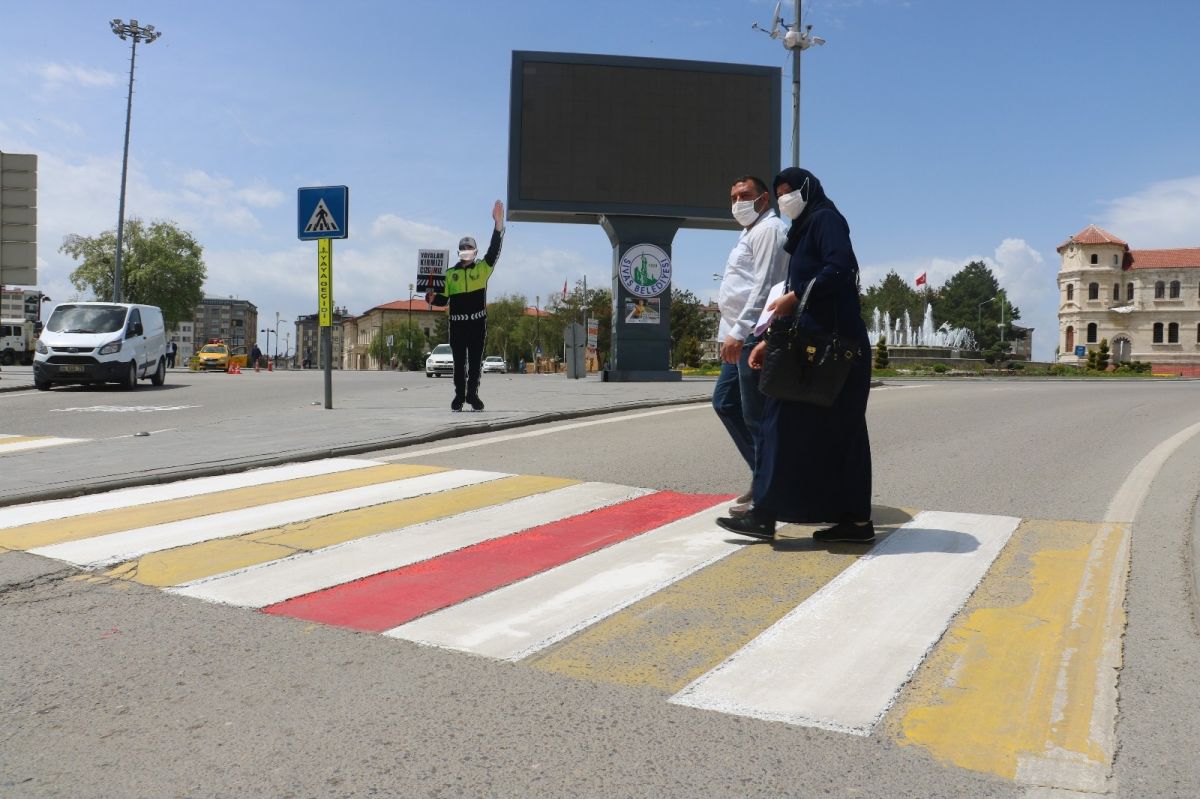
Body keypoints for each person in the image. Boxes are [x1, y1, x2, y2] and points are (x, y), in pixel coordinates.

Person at [717, 167, 874, 544]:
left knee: (784, 424)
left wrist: (796, 293)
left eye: (791, 191)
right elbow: (791, 293)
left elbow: (840, 269)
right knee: (827, 434)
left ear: (809, 189)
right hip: (814, 345)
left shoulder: (826, 220)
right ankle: (849, 520)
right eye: (781, 191)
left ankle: (767, 514)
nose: (787, 198)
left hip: (834, 349)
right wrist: (770, 338)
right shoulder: (802, 231)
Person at [712, 175, 790, 515]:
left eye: (745, 195)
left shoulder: (770, 230)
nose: (737, 203)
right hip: (737, 335)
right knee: (726, 403)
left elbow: (766, 287)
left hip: (755, 334)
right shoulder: (749, 232)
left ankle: (769, 493)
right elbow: (736, 288)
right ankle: (769, 479)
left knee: (756, 416)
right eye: (733, 197)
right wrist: (725, 334)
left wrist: (741, 331)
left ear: (763, 200)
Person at [427, 200, 505, 411]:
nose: (466, 250)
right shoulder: (450, 275)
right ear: (459, 251)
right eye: (463, 248)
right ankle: (459, 397)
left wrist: (498, 226)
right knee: (459, 364)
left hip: (478, 323)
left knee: (475, 363)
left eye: (469, 247)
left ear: (475, 252)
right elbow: (443, 299)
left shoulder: (482, 269)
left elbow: (494, 251)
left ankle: (473, 395)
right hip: (458, 325)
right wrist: (433, 299)